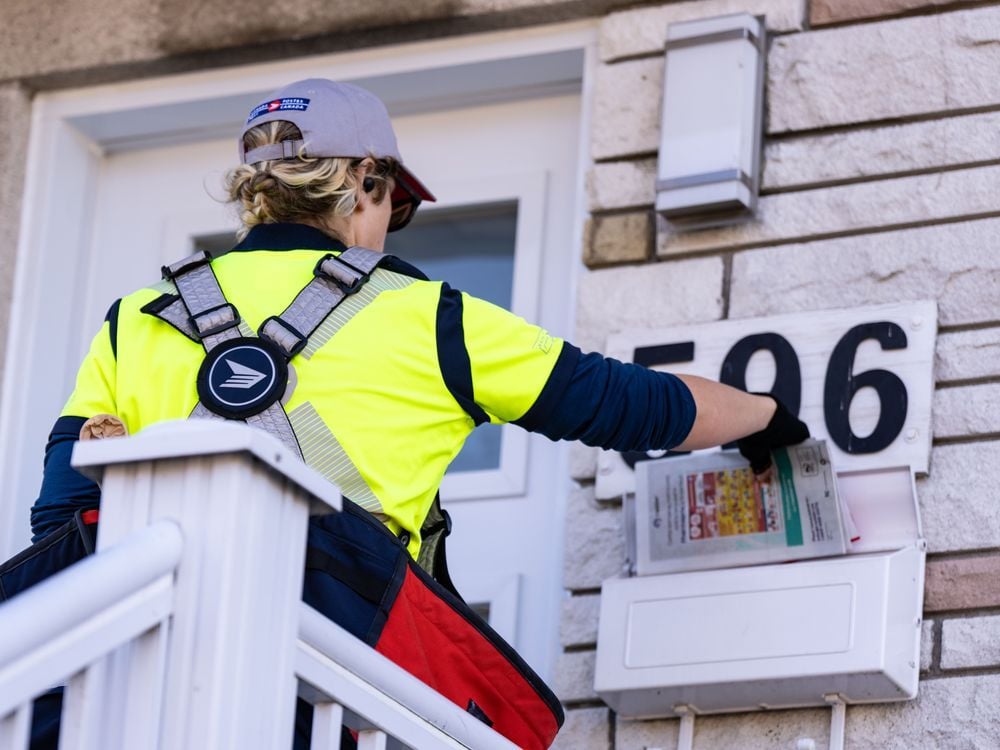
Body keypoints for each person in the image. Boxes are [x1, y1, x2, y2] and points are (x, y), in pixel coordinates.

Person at [27, 78, 809, 747]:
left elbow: (60, 516)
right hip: (333, 683)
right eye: (393, 204)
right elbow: (630, 405)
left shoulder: (139, 316)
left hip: (140, 699)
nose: (386, 224)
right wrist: (765, 413)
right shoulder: (430, 317)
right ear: (364, 179)